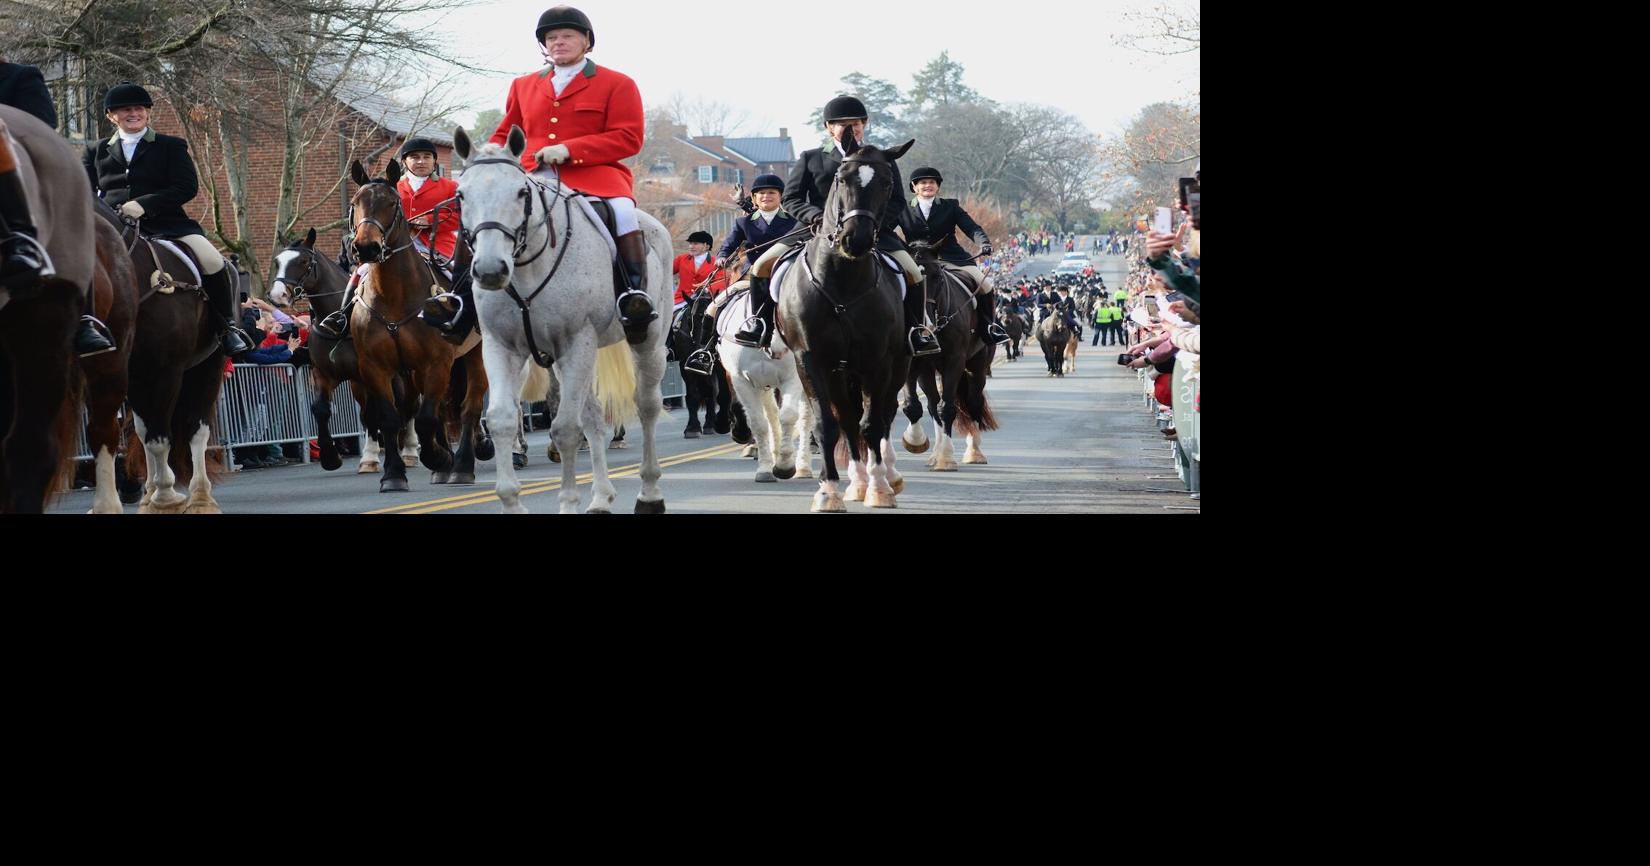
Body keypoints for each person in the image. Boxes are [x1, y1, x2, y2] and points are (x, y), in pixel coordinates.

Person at [488, 5, 653, 343]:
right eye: (551, 38)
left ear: (586, 42)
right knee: (485, 212)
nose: (558, 42)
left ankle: (633, 295)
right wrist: (488, 158)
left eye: (567, 36)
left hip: (597, 176)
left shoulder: (618, 83)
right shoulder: (523, 85)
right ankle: (459, 296)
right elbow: (505, 133)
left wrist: (571, 150)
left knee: (623, 214)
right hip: (534, 175)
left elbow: (629, 137)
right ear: (543, 45)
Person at [753, 95, 939, 356]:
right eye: (844, 124)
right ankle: (759, 325)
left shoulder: (882, 158)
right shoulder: (811, 158)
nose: (852, 128)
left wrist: (873, 225)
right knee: (761, 265)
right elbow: (792, 198)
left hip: (870, 232)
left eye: (857, 123)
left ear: (865, 126)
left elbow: (897, 201)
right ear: (829, 128)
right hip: (812, 230)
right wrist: (816, 216)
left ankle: (917, 330)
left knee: (913, 272)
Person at [85, 82, 254, 355]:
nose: (133, 113)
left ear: (148, 112)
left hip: (167, 223)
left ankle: (228, 327)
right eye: (125, 109)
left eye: (139, 108)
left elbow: (186, 187)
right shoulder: (96, 150)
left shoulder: (170, 146)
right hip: (114, 225)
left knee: (212, 261)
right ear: (110, 115)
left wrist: (144, 204)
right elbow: (85, 190)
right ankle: (86, 323)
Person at [1, 58, 116, 356]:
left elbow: (43, 132)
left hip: (25, 183)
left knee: (208, 259)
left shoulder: (19, 78)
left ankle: (22, 242)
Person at [896, 166, 1008, 345]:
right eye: (923, 182)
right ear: (914, 187)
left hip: (952, 258)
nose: (928, 185)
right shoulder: (902, 209)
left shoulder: (950, 206)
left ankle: (989, 327)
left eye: (932, 182)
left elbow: (971, 228)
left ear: (938, 186)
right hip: (918, 260)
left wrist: (984, 242)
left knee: (985, 285)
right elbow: (885, 228)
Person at [717, 173, 799, 348]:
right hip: (751, 276)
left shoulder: (795, 222)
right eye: (761, 193)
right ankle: (707, 351)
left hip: (786, 274)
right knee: (713, 307)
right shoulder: (743, 223)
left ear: (780, 197)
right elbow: (729, 243)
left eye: (771, 193)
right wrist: (722, 256)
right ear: (754, 197)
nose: (766, 196)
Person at [672, 230, 725, 307]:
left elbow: (722, 281)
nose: (691, 246)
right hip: (681, 300)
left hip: (705, 301)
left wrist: (707, 290)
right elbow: (666, 271)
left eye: (695, 244)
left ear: (706, 246)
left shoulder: (716, 262)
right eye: (690, 243)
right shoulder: (681, 259)